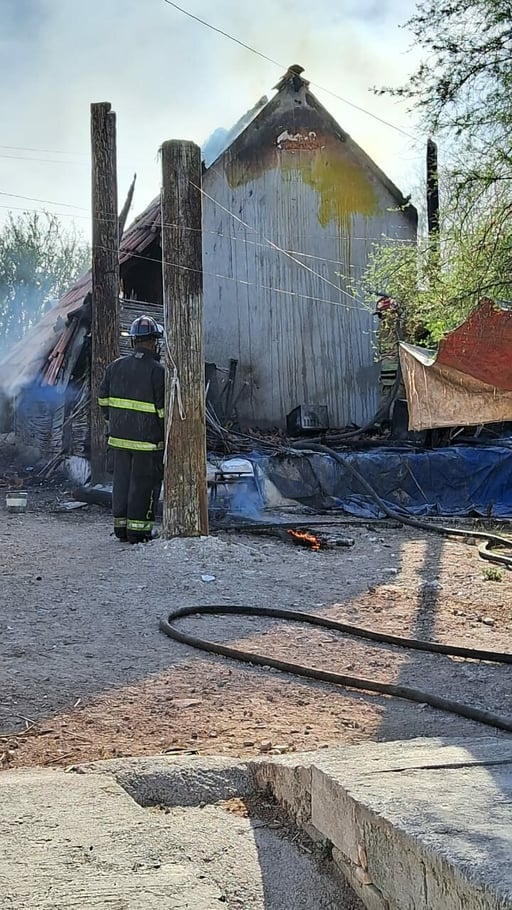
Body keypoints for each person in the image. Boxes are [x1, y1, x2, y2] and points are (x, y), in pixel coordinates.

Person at [98, 315, 165, 544]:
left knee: (121, 485)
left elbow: (103, 401)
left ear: (133, 341)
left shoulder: (115, 367)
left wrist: (115, 421)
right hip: (147, 444)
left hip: (118, 441)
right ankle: (139, 531)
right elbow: (163, 412)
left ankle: (121, 528)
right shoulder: (157, 372)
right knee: (143, 486)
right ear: (154, 342)